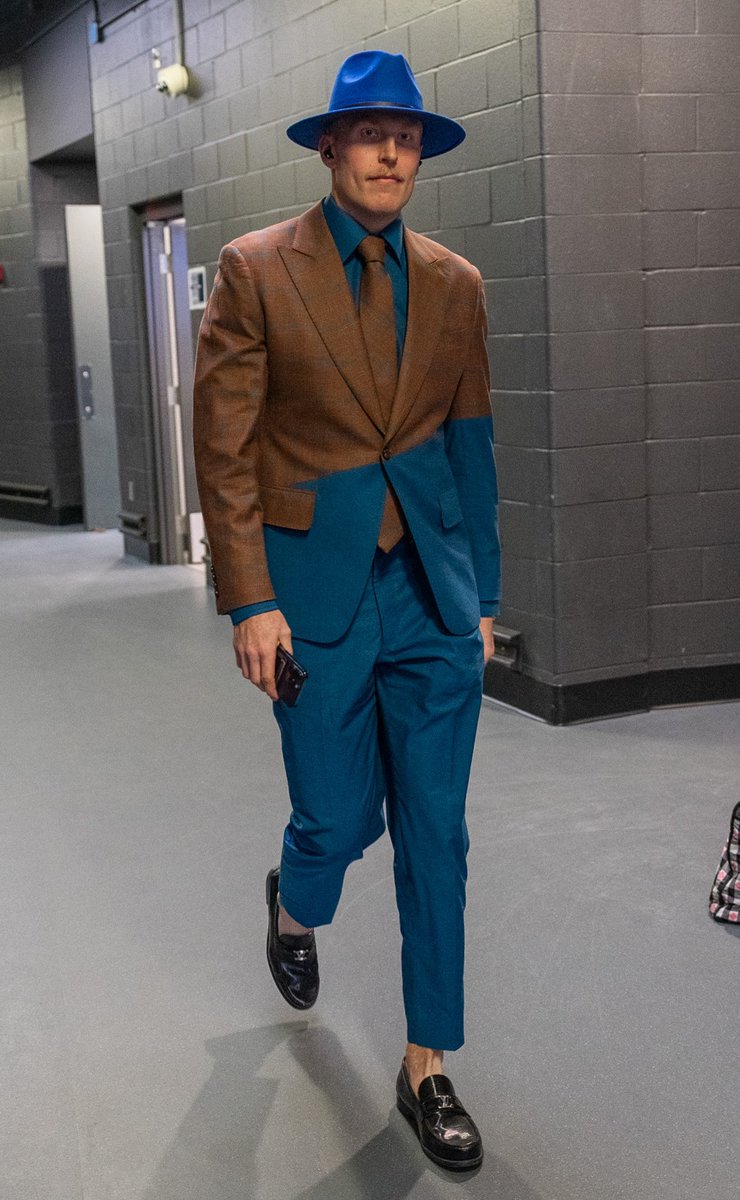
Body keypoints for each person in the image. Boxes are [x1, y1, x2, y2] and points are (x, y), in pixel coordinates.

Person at [192, 50, 500, 1172]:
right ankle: (294, 899)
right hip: (312, 593)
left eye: (406, 138)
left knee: (435, 830)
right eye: (370, 134)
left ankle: (427, 1065)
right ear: (329, 147)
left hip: (428, 590)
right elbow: (225, 449)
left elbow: (470, 446)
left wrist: (483, 597)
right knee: (334, 818)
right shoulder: (254, 269)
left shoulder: (456, 284)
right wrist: (248, 598)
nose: (389, 154)